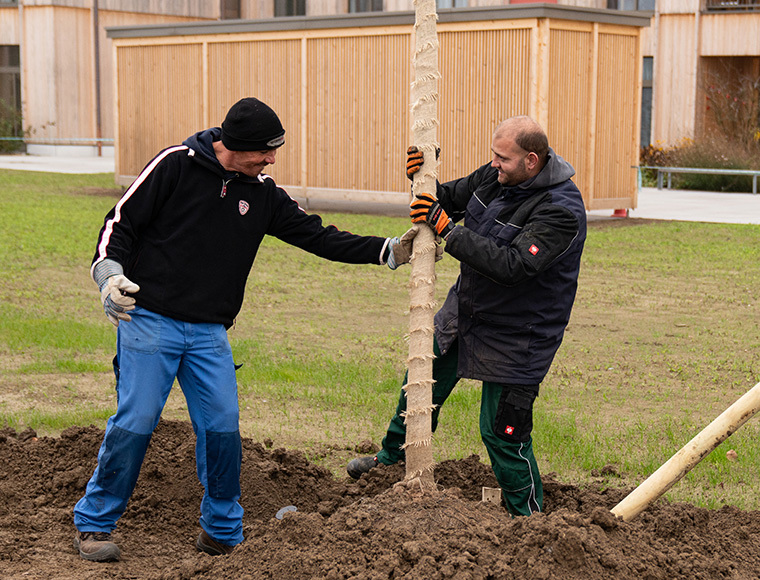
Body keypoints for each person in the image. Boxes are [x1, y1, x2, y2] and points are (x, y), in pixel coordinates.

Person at [73, 97, 422, 562]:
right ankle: (95, 523)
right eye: (265, 150)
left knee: (222, 428)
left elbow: (317, 234)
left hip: (208, 332)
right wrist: (109, 275)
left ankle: (220, 530)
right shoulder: (175, 166)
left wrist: (389, 251)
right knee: (135, 422)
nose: (272, 159)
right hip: (149, 319)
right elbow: (119, 222)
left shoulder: (261, 193)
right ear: (234, 145)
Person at [347, 116, 587, 517]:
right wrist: (421, 179)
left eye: (503, 158)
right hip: (468, 313)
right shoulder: (496, 177)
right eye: (493, 154)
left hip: (519, 335)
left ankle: (530, 520)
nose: (494, 164)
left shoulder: (561, 210)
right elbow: (444, 200)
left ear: (531, 160)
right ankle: (390, 461)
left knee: (502, 432)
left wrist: (448, 231)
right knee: (420, 384)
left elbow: (513, 265)